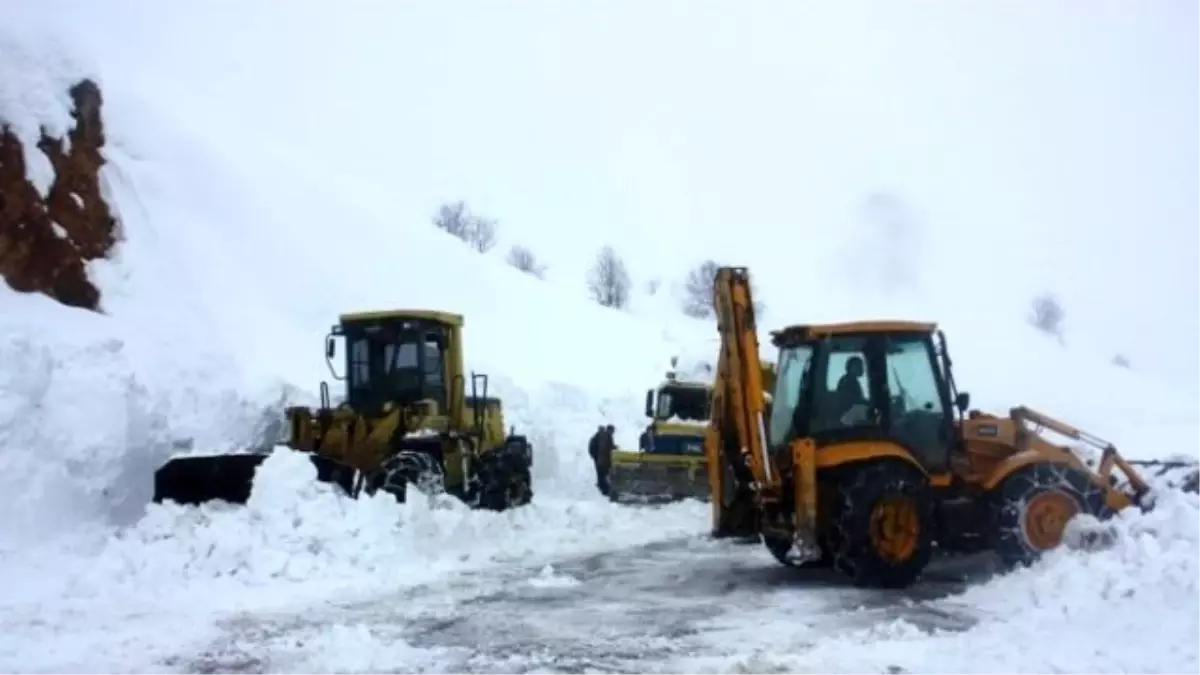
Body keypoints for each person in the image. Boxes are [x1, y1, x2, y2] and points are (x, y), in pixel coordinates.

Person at [588, 424, 615, 496]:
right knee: (604, 475)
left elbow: (592, 448)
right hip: (603, 460)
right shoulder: (606, 436)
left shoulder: (596, 437)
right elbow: (607, 448)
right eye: (612, 431)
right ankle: (605, 491)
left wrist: (594, 457)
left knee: (601, 475)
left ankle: (603, 489)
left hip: (599, 460)